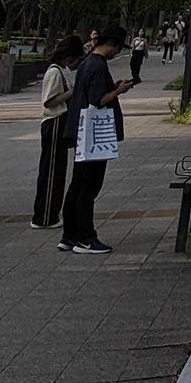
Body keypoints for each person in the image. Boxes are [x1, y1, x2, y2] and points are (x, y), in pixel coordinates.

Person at [60, 23, 129, 255]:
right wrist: (118, 91)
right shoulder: (98, 66)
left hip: (80, 131)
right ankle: (86, 238)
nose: (117, 52)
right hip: (95, 135)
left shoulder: (86, 63)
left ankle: (68, 236)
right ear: (110, 44)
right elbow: (99, 99)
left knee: (77, 185)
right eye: (117, 48)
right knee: (88, 188)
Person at [31, 35, 84, 230]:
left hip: (62, 121)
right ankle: (44, 216)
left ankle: (51, 213)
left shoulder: (65, 70)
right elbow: (50, 101)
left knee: (58, 170)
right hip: (54, 121)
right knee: (50, 171)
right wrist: (73, 91)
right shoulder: (54, 72)